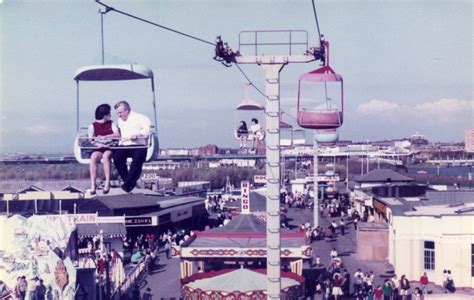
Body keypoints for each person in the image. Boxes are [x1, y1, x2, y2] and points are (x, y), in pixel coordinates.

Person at [113, 101, 151, 193]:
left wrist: (138, 134)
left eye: (120, 112)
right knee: (117, 157)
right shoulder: (120, 120)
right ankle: (128, 181)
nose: (119, 115)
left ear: (127, 110)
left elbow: (147, 130)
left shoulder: (140, 118)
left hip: (138, 145)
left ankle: (128, 184)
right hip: (125, 144)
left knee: (137, 160)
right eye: (118, 113)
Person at [87, 104, 120, 194]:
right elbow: (91, 140)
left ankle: (107, 182)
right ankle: (93, 184)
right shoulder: (92, 126)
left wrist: (105, 136)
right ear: (104, 115)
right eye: (109, 113)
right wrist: (98, 144)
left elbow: (117, 135)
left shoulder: (111, 123)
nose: (110, 115)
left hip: (110, 146)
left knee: (106, 156)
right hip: (100, 146)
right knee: (93, 157)